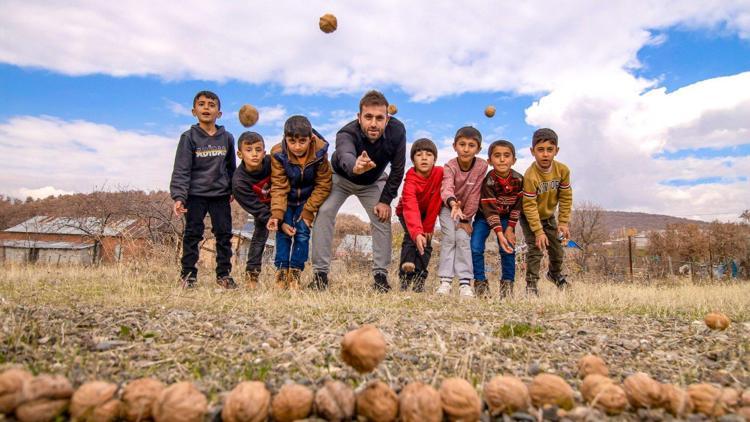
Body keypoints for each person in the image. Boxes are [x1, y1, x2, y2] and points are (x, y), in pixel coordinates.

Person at [311, 90, 406, 292]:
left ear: (387, 119)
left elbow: (398, 169)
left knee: (382, 216)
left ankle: (380, 276)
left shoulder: (397, 131)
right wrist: (355, 165)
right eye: (368, 117)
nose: (373, 123)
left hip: (373, 181)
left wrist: (385, 200)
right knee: (325, 211)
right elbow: (345, 153)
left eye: (379, 118)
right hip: (341, 177)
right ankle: (320, 275)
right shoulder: (346, 133)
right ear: (359, 117)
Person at [170, 90, 237, 289]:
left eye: (211, 104)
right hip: (195, 195)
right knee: (192, 234)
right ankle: (188, 276)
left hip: (220, 195)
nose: (206, 108)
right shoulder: (188, 137)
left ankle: (223, 276)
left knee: (224, 235)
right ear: (193, 111)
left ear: (219, 113)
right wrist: (179, 196)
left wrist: (233, 188)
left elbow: (231, 167)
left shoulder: (227, 138)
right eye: (201, 104)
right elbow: (181, 169)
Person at [267, 116, 332, 289]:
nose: (297, 146)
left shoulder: (320, 153)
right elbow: (279, 185)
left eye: (302, 141)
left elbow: (324, 184)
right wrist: (277, 214)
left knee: (302, 234)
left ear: (310, 139)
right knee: (283, 233)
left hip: (307, 200)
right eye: (291, 141)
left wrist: (309, 210)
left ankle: (295, 272)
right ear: (285, 139)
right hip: (286, 199)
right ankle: (281, 272)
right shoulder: (278, 154)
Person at [436, 126, 488, 298]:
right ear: (454, 146)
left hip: (466, 212)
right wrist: (452, 204)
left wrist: (466, 219)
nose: (466, 149)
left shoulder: (481, 166)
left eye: (471, 145)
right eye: (462, 144)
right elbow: (446, 188)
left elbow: (475, 194)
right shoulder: (450, 166)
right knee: (450, 238)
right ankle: (445, 281)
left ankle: (465, 282)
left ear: (478, 149)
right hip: (447, 207)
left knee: (463, 239)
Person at [521, 128, 573, 295]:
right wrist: (538, 232)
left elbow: (565, 197)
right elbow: (529, 206)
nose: (545, 154)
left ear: (556, 151)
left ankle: (554, 274)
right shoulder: (530, 176)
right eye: (540, 150)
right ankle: (531, 285)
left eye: (549, 150)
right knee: (536, 250)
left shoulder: (562, 171)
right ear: (532, 151)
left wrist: (563, 222)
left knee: (557, 249)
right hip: (530, 218)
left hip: (549, 216)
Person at [473, 140, 523, 298]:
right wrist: (499, 234)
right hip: (485, 216)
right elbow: (490, 210)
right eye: (497, 156)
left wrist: (509, 229)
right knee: (475, 246)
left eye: (506, 156)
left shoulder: (519, 180)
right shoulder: (489, 181)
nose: (502, 159)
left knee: (508, 248)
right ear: (489, 161)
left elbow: (518, 206)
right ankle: (480, 284)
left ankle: (507, 287)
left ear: (514, 160)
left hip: (507, 218)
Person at [395, 139, 443, 293]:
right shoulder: (410, 180)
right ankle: (405, 276)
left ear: (434, 159)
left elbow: (437, 201)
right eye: (419, 154)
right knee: (411, 237)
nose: (424, 158)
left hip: (428, 214)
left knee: (426, 242)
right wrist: (417, 232)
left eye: (429, 154)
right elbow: (410, 207)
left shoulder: (440, 173)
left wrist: (428, 227)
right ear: (413, 160)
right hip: (407, 212)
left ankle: (419, 280)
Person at [231, 131, 272, 289]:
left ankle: (286, 273)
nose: (254, 154)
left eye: (258, 149)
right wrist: (273, 220)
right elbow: (257, 209)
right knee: (260, 235)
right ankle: (252, 276)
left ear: (264, 152)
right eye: (249, 150)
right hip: (260, 208)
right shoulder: (239, 182)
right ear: (240, 154)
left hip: (280, 203)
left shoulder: (271, 163)